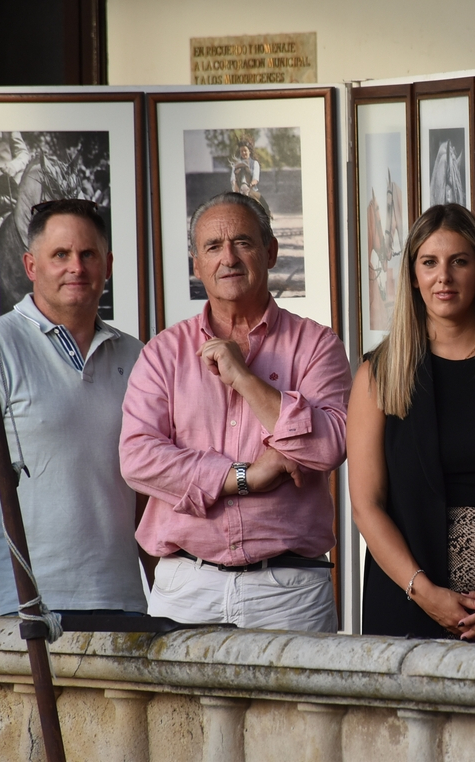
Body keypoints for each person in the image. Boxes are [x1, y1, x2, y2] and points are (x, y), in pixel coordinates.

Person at [120, 192, 350, 631]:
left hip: (290, 590)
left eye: (242, 242)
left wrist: (244, 378)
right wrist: (247, 476)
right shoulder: (164, 353)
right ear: (196, 265)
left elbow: (328, 447)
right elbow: (138, 460)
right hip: (187, 585)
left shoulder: (318, 345)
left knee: (295, 705)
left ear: (271, 252)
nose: (228, 257)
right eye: (212, 247)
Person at [0, 199, 147, 617]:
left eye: (88, 254)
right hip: (25, 606)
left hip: (123, 603)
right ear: (31, 265)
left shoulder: (136, 356)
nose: (76, 267)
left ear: (108, 265)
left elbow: (147, 496)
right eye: (60, 254)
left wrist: (164, 592)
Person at [347, 204, 475, 640]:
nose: (443, 277)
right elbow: (366, 505)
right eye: (429, 263)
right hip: (407, 599)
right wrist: (426, 593)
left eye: (459, 261)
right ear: (413, 276)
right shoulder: (380, 374)